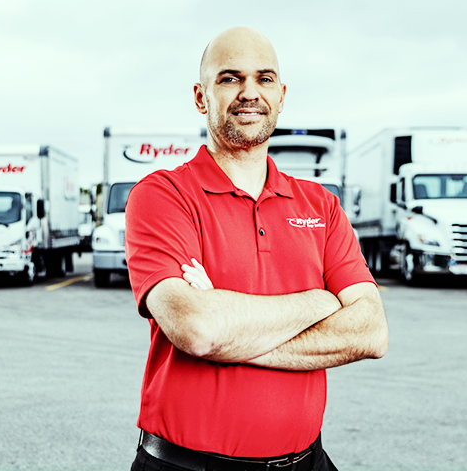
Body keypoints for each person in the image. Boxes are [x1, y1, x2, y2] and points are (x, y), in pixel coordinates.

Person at [125, 26, 389, 471]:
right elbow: (197, 329)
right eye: (230, 78)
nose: (250, 92)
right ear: (200, 96)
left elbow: (371, 332)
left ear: (281, 95)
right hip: (189, 467)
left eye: (264, 78)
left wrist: (231, 333)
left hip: (308, 461)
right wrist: (319, 300)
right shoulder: (162, 195)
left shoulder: (320, 205)